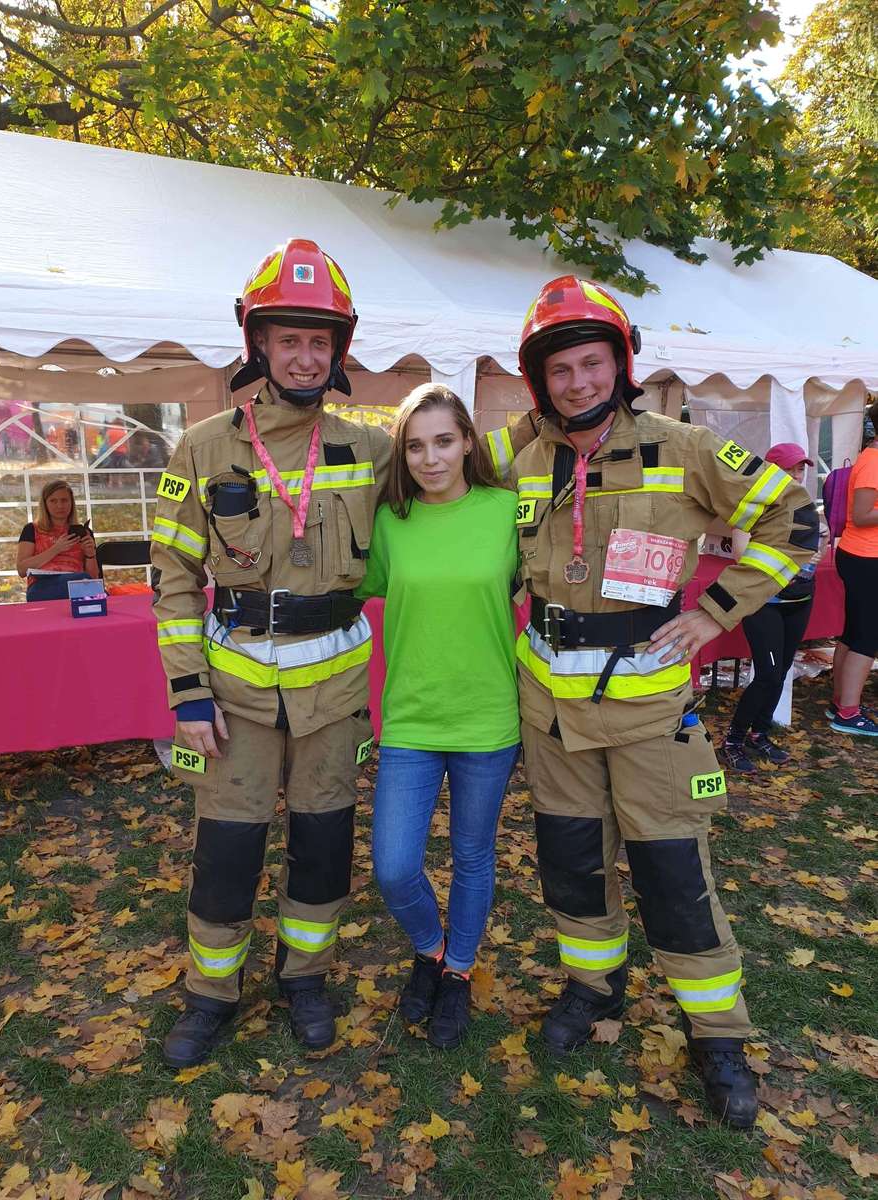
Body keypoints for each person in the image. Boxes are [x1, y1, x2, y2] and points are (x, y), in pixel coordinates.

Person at [511, 276, 819, 1128]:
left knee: (675, 878)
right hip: (552, 715)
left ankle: (717, 1036)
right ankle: (593, 988)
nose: (577, 382)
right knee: (572, 868)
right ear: (540, 379)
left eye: (592, 364)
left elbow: (795, 521)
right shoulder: (518, 458)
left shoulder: (684, 448)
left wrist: (715, 613)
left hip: (649, 714)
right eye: (561, 369)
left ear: (620, 365)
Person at [151, 239, 391, 1067]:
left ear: (339, 352)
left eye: (318, 341)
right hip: (237, 694)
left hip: (334, 693)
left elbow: (460, 471)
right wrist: (187, 695)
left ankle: (305, 979)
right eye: (287, 338)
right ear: (257, 343)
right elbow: (174, 577)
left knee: (324, 847)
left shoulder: (370, 448)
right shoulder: (205, 447)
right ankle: (211, 993)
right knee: (227, 852)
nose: (303, 355)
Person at [357, 384, 520, 1050]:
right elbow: (344, 587)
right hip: (411, 721)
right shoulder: (390, 523)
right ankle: (430, 949)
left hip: (487, 719)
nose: (430, 458)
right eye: (416, 445)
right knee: (394, 866)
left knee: (472, 857)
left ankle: (456, 971)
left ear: (468, 444)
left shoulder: (508, 512)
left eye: (444, 441)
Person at [722, 443, 823, 770]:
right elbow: (741, 555)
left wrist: (813, 553)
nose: (796, 475)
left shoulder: (805, 505)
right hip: (764, 602)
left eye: (800, 469)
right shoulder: (752, 506)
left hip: (800, 600)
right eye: (789, 469)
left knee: (780, 672)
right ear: (770, 470)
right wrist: (789, 565)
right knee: (766, 674)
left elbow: (816, 543)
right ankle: (733, 740)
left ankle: (758, 733)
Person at [829, 401, 878, 736]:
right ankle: (847, 712)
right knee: (866, 636)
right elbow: (861, 516)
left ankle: (842, 701)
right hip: (864, 557)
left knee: (854, 632)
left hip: (861, 556)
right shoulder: (873, 462)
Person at [16, 479, 98, 601]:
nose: (60, 506)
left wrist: (90, 555)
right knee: (86, 584)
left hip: (78, 584)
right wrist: (56, 549)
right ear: (45, 504)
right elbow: (22, 570)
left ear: (71, 503)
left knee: (86, 583)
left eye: (64, 500)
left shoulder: (83, 532)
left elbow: (93, 577)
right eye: (53, 501)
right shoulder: (32, 529)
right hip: (42, 586)